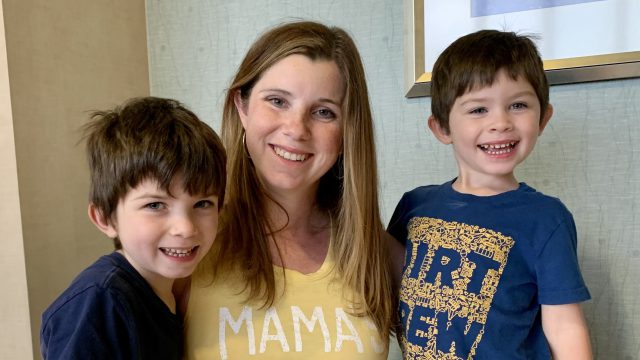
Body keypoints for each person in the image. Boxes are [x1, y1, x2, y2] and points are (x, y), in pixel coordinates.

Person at [183, 21, 400, 359]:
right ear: (242, 106)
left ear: (347, 132)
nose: (297, 129)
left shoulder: (376, 253)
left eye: (324, 112)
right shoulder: (189, 241)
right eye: (277, 101)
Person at [387, 30, 592, 359]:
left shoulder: (546, 219)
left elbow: (566, 328)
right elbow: (391, 274)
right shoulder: (415, 206)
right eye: (478, 110)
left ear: (543, 118)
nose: (501, 122)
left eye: (518, 105)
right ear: (442, 128)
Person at [40, 97, 227, 359]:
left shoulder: (167, 292)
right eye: (155, 205)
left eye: (203, 203)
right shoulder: (99, 303)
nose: (185, 228)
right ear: (105, 218)